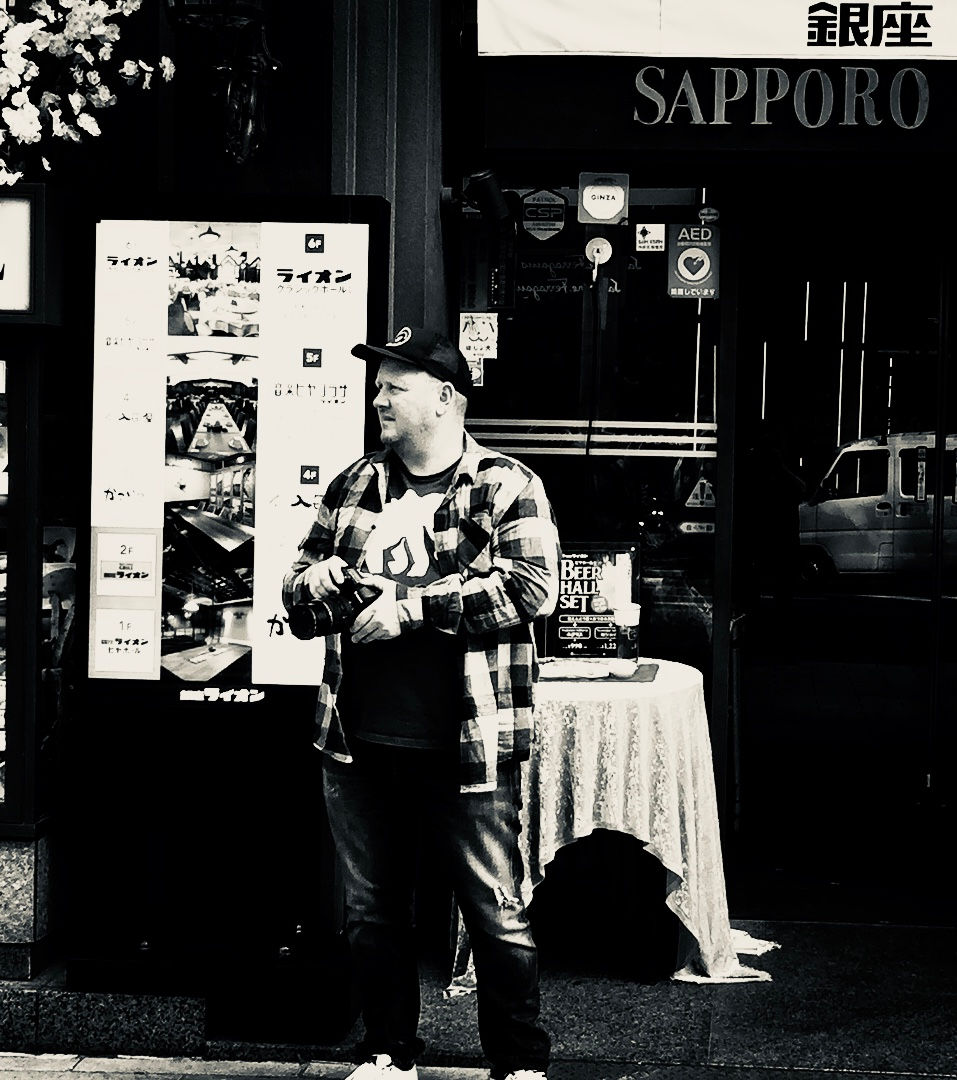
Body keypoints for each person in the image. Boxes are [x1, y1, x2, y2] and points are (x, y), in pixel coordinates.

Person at [283, 326, 561, 1080]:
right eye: (377, 386)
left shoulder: (506, 485)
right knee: (371, 911)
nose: (378, 398)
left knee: (495, 911)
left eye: (394, 387)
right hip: (357, 737)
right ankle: (387, 1051)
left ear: (444, 398)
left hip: (467, 741)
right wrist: (319, 583)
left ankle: (518, 1063)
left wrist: (415, 610)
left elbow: (531, 589)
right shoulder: (353, 485)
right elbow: (296, 597)